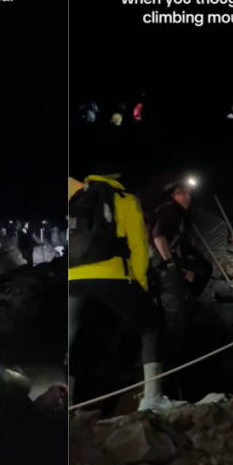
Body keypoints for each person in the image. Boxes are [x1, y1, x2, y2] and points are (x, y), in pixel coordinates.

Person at [67, 165, 178, 412]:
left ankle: (69, 406)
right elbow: (138, 248)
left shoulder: (77, 200)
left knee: (74, 339)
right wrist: (141, 285)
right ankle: (152, 397)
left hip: (72, 278)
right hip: (110, 274)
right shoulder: (124, 199)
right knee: (151, 324)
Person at [148, 180, 212, 371]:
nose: (188, 197)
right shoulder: (170, 210)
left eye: (189, 193)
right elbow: (158, 236)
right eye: (183, 192)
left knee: (176, 311)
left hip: (161, 267)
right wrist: (170, 265)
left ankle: (173, 359)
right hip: (162, 269)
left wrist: (181, 267)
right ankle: (172, 363)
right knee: (174, 314)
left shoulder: (172, 212)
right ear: (173, 195)